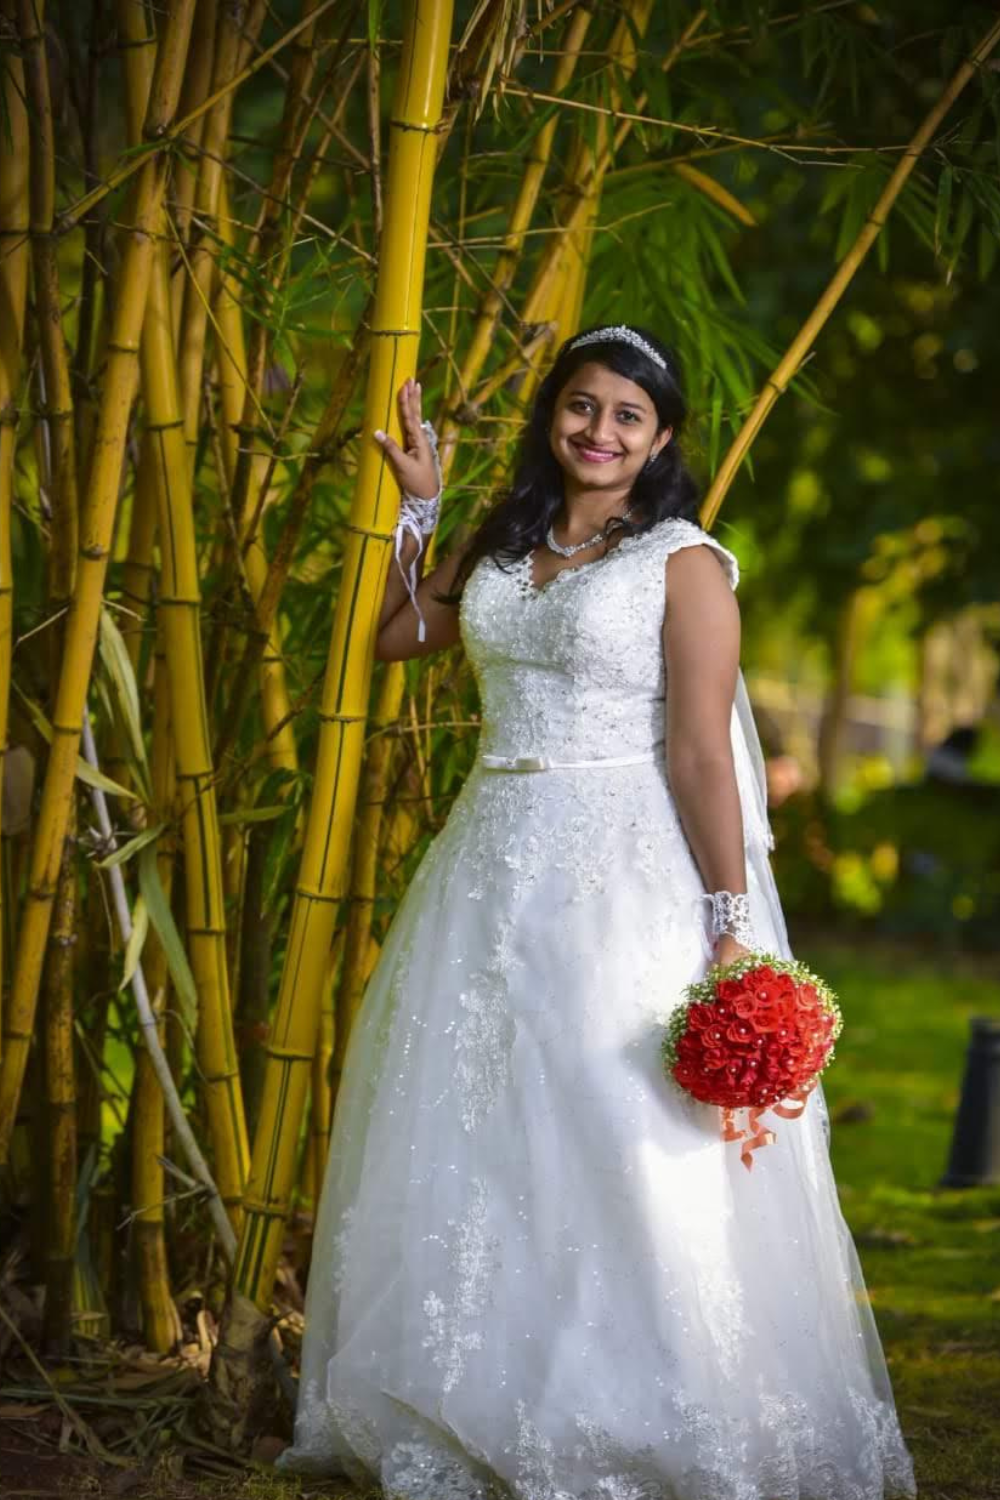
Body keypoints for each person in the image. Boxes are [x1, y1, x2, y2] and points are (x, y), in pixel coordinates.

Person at [277, 326, 917, 1499]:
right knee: (482, 1118)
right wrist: (419, 508)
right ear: (552, 419)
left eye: (627, 415)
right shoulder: (509, 543)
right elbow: (396, 636)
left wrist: (726, 914)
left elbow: (698, 753)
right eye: (581, 407)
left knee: (607, 1117)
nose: (599, 431)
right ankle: (488, 1387)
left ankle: (648, 1399)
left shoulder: (684, 564)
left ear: (661, 438)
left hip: (620, 868)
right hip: (487, 860)